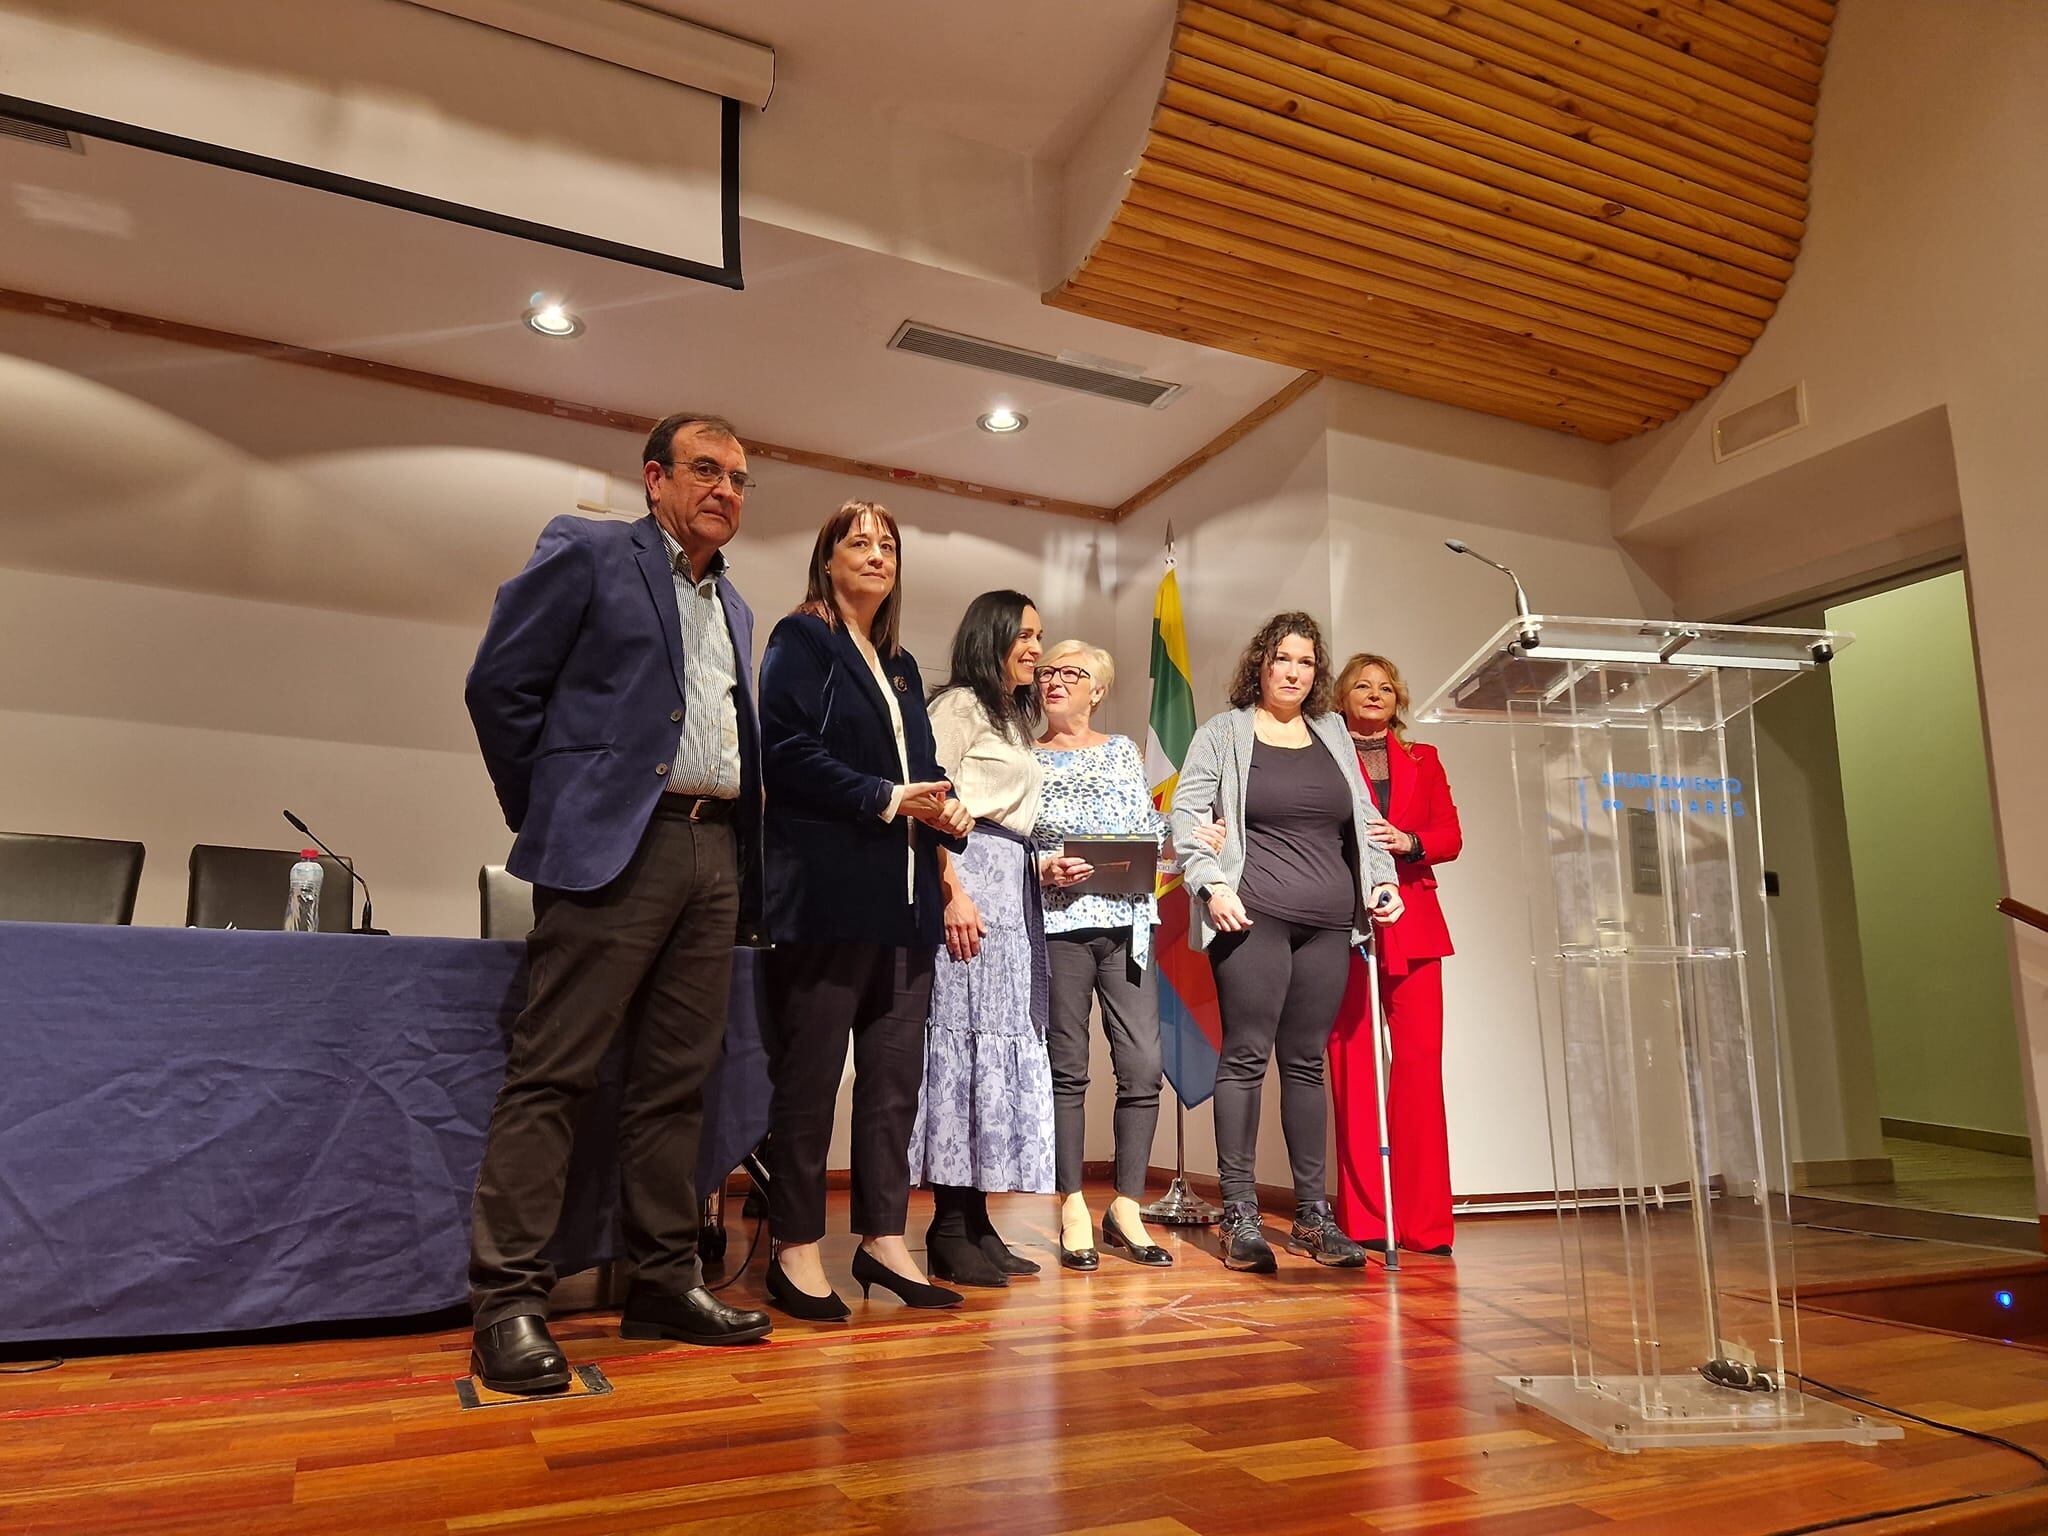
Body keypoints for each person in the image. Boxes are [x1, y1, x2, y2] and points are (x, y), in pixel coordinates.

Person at [463, 411, 772, 1395]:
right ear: (654, 479)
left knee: (675, 1084)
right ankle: (507, 1303)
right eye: (705, 470)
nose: (725, 488)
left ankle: (661, 1283)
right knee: (552, 1076)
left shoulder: (738, 609)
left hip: (714, 851)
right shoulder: (589, 551)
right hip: (617, 847)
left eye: (738, 477)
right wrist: (562, 809)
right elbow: (499, 688)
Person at [756, 501, 973, 1318]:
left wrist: (946, 810)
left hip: (907, 902)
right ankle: (796, 1248)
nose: (878, 555)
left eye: (889, 544)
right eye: (860, 542)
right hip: (826, 898)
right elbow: (784, 749)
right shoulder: (800, 638)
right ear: (828, 558)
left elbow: (922, 766)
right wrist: (887, 797)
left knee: (892, 1085)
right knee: (810, 1081)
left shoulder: (905, 665)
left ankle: (884, 1242)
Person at [1169, 612, 1404, 1274]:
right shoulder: (1224, 732)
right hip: (1253, 914)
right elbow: (1187, 816)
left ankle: (1311, 1217)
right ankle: (1241, 1213)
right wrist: (1211, 885)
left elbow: (1363, 819)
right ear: (1261, 666)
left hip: (1330, 919)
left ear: (1315, 671)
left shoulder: (1332, 732)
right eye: (1281, 659)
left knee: (1305, 1062)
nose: (1293, 671)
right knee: (1246, 1056)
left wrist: (1381, 885)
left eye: (1305, 661)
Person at [909, 590, 1055, 1287]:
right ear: (991, 635)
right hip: (968, 888)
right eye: (1024, 635)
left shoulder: (1013, 720)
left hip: (1011, 887)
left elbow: (1012, 814)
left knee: (993, 1048)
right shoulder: (958, 707)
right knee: (963, 1050)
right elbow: (927, 798)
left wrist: (1043, 861)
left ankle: (976, 1222)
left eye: (1039, 635)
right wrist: (950, 891)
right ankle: (945, 1227)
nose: (1035, 648)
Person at [1031, 640, 1173, 1270]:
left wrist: (1185, 837)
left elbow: (1146, 829)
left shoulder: (1122, 751)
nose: (1055, 680)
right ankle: (1070, 1204)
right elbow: (1011, 843)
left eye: (1071, 673)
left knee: (1143, 1067)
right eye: (1047, 671)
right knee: (1068, 1068)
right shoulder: (1025, 757)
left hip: (1129, 926)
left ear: (1097, 689)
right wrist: (1044, 865)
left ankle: (1126, 1206)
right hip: (1060, 926)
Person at [1327, 653, 1464, 1256]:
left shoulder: (1423, 760)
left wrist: (1409, 843)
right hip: (1343, 923)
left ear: (1398, 698)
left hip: (1415, 924)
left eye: (1386, 686)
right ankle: (1365, 1221)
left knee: (1418, 1069)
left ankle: (1425, 1224)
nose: (1375, 693)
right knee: (1352, 1068)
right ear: (1343, 695)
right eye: (1363, 685)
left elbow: (1450, 837)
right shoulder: (1322, 751)